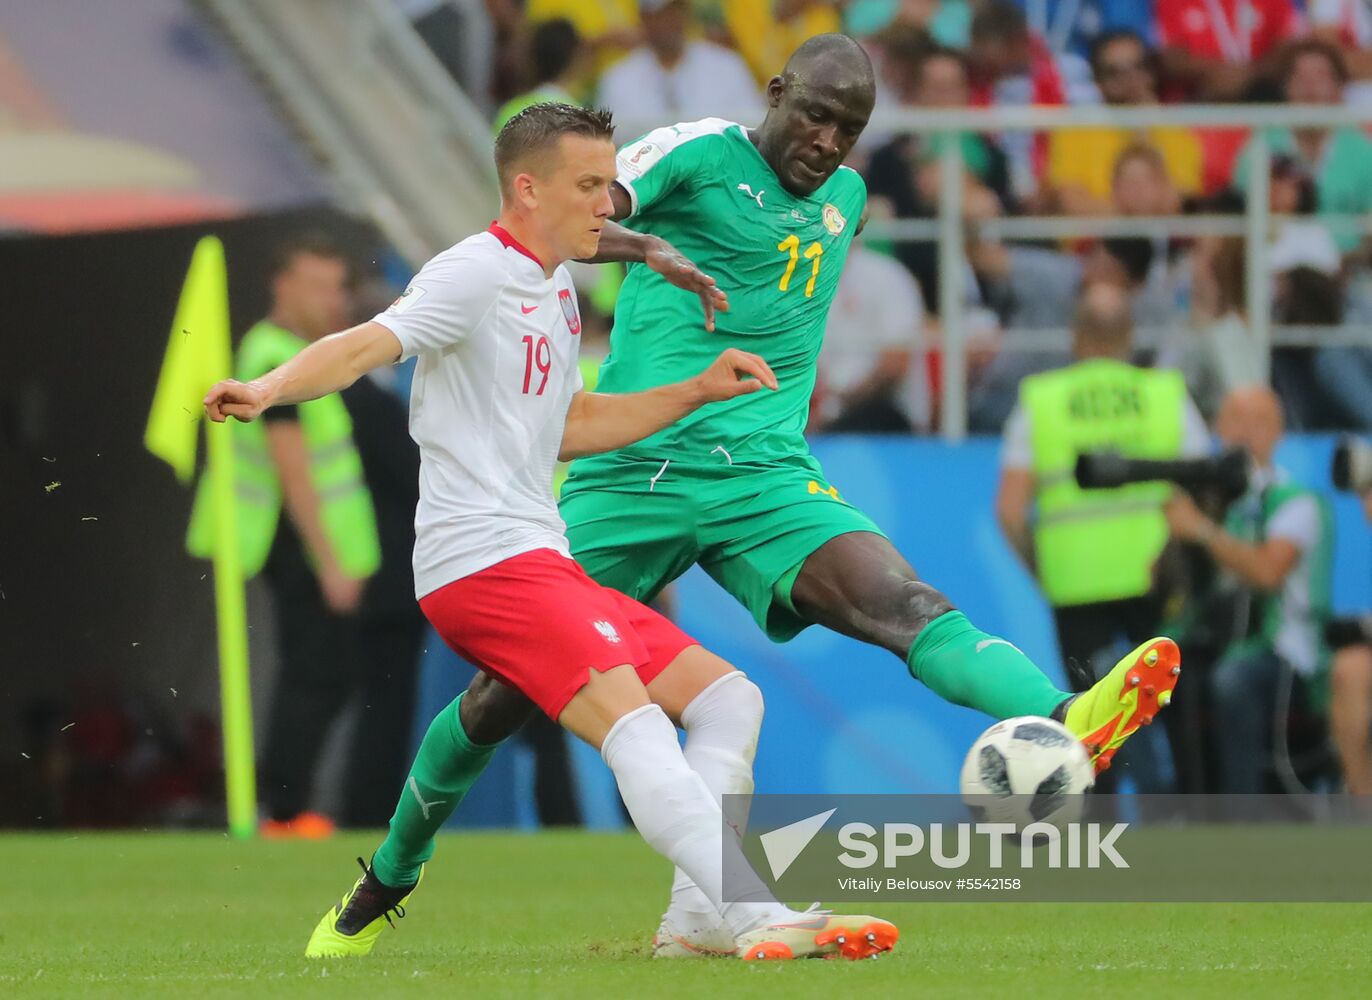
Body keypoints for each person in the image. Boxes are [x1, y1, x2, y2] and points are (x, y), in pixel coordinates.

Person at [333, 35, 1183, 960]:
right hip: (636, 471)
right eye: (815, 115)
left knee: (904, 605)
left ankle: (1066, 717)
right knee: (501, 697)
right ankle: (393, 867)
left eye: (848, 130)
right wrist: (649, 244)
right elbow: (571, 223)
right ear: (775, 94)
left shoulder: (847, 201)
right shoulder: (695, 153)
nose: (828, 142)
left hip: (767, 477)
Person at [204, 103, 897, 962]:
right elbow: (360, 347)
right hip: (479, 564)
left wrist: (695, 389)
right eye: (588, 185)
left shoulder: (556, 286)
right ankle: (752, 910)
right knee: (634, 721)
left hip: (540, 556)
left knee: (729, 699)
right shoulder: (472, 273)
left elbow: (566, 424)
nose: (610, 204)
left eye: (609, 183)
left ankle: (695, 922)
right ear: (527, 190)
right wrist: (268, 388)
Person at [186, 233, 421, 836]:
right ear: (281, 285)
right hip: (293, 540)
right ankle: (286, 812)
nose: (328, 298)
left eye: (334, 286)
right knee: (314, 675)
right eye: (314, 284)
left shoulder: (300, 351)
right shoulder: (273, 355)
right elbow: (292, 466)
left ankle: (289, 807)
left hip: (310, 544)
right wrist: (330, 560)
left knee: (323, 674)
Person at [996, 282, 1212, 791]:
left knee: (1092, 718)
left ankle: (1104, 829)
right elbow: (1204, 484)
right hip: (1155, 576)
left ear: (1076, 337)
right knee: (1166, 705)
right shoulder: (1164, 394)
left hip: (1075, 581)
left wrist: (1042, 567)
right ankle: (1181, 822)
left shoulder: (1042, 400)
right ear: (1130, 335)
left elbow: (1008, 510)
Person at [1165, 386, 1335, 794]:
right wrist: (1174, 533)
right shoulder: (1207, 498)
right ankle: (1183, 804)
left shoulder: (1294, 501)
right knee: (1153, 670)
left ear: (1278, 432)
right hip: (1217, 641)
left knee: (1232, 679)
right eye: (1235, 419)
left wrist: (1202, 531)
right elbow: (1161, 580)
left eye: (1259, 421)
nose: (1245, 432)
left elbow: (1266, 573)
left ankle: (1243, 813)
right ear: (1218, 428)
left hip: (1287, 653)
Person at [1231, 38, 1372, 255]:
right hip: (1274, 267)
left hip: (1346, 270)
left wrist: (1348, 264)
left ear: (1339, 88)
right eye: (1300, 78)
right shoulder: (1262, 145)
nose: (1310, 88)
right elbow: (1243, 204)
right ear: (1286, 87)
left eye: (1320, 78)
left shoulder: (1362, 150)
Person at [1047, 29, 1203, 216]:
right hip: (1096, 241)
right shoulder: (1076, 130)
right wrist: (1134, 218)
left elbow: (1184, 198)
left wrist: (1148, 129)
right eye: (1115, 72)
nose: (1130, 79)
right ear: (1098, 80)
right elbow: (1073, 203)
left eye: (1138, 66)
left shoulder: (1173, 128)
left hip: (1161, 240)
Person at [813, 242, 929, 433]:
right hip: (828, 410)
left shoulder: (887, 276)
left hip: (887, 412)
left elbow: (895, 363)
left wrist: (840, 404)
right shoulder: (808, 281)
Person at [596, 0, 762, 124]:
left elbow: (752, 128)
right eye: (656, 16)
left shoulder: (727, 66)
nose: (665, 23)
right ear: (643, 19)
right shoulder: (618, 78)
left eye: (671, 13)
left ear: (685, 13)